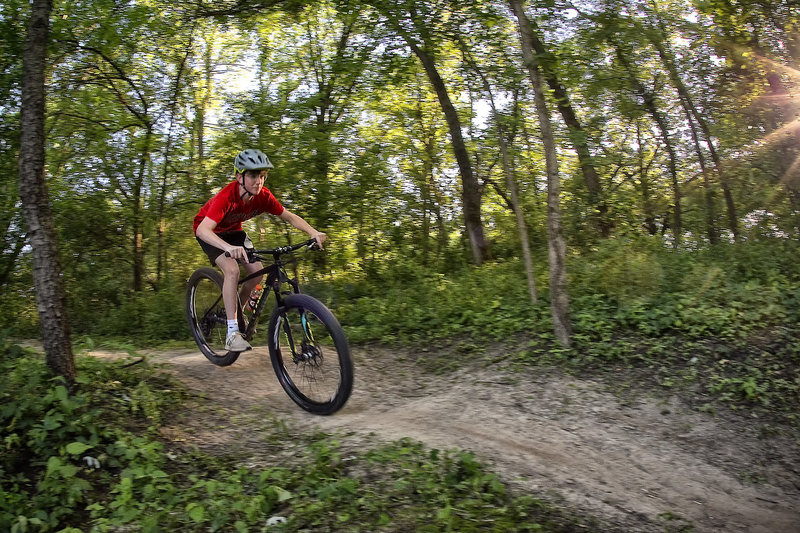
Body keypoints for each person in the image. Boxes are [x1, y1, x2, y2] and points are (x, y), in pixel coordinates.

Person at [193, 149, 327, 352]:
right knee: (232, 270)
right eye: (253, 176)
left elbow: (289, 216)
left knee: (257, 273)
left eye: (262, 176)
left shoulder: (263, 197)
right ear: (239, 177)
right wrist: (228, 248)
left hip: (233, 232)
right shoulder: (226, 197)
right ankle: (232, 334)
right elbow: (203, 229)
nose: (259, 181)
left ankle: (237, 311)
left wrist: (312, 231)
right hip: (209, 231)